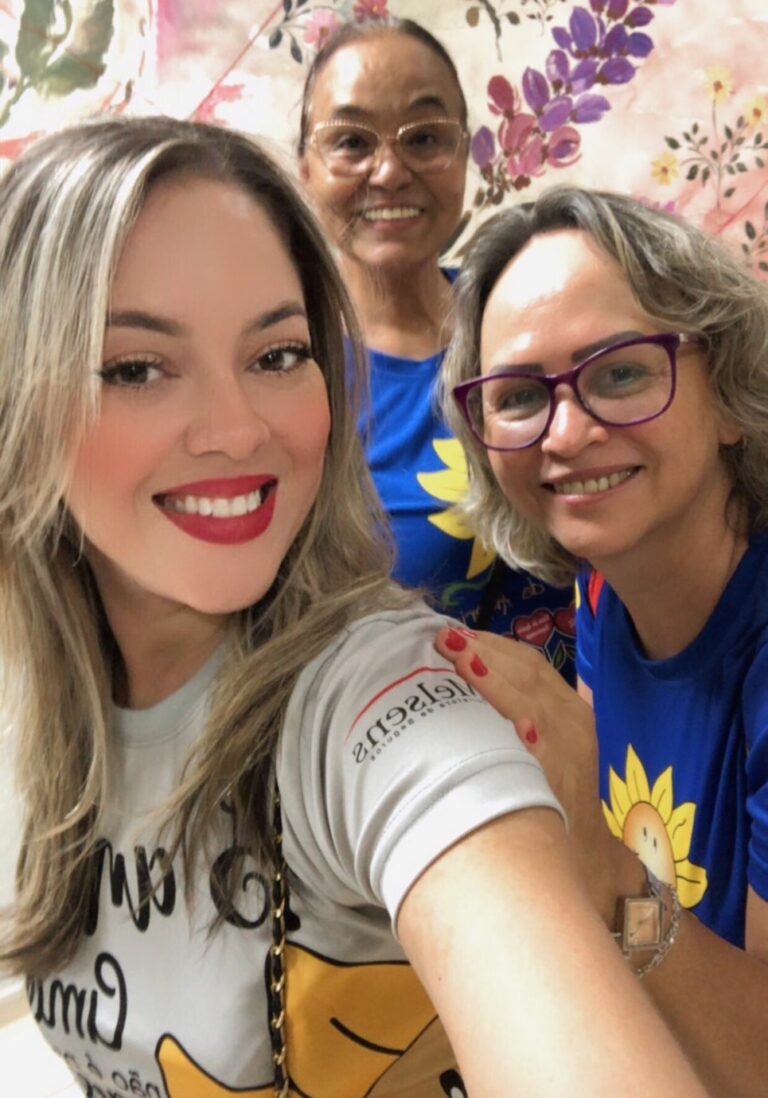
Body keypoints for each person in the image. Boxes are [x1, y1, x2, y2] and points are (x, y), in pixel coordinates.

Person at [0, 119, 709, 1098]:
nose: (238, 429)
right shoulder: (30, 692)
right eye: (136, 367)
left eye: (277, 354)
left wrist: (610, 882)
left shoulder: (372, 698)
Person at [434, 186, 768, 1097]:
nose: (568, 433)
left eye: (620, 373)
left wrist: (595, 854)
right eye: (518, 396)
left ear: (729, 392)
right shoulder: (602, 588)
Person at [298, 18, 577, 680]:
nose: (389, 172)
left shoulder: (529, 319)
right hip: (413, 736)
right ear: (305, 167)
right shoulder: (292, 373)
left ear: (466, 154)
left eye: (425, 138)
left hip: (606, 722)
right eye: (351, 142)